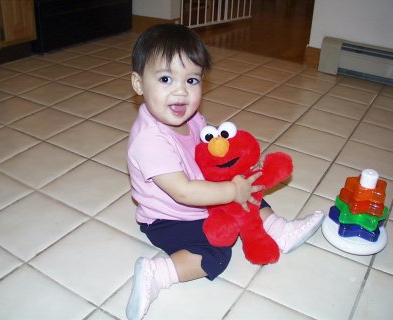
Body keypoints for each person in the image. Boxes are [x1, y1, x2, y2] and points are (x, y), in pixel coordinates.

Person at [126, 23, 324, 320]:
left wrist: (233, 172)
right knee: (217, 253)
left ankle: (278, 230)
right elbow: (183, 191)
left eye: (192, 80)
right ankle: (159, 273)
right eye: (166, 79)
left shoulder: (190, 118)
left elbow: (205, 155)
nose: (181, 92)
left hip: (200, 198)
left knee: (249, 189)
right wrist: (231, 191)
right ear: (139, 84)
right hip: (169, 218)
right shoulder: (150, 140)